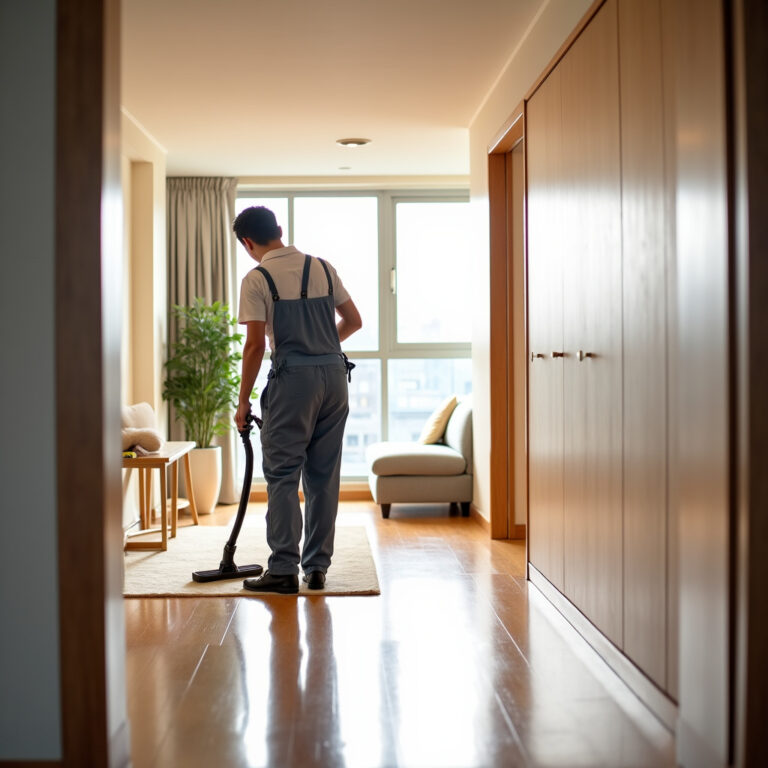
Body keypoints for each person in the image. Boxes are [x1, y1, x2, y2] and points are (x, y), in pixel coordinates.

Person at [233, 206, 362, 593]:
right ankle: (317, 568)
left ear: (247, 242)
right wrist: (322, 348)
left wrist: (243, 402)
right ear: (279, 229)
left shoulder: (257, 279)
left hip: (293, 383)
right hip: (335, 377)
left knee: (283, 474)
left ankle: (284, 569)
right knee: (324, 474)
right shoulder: (322, 267)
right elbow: (354, 321)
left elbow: (255, 346)